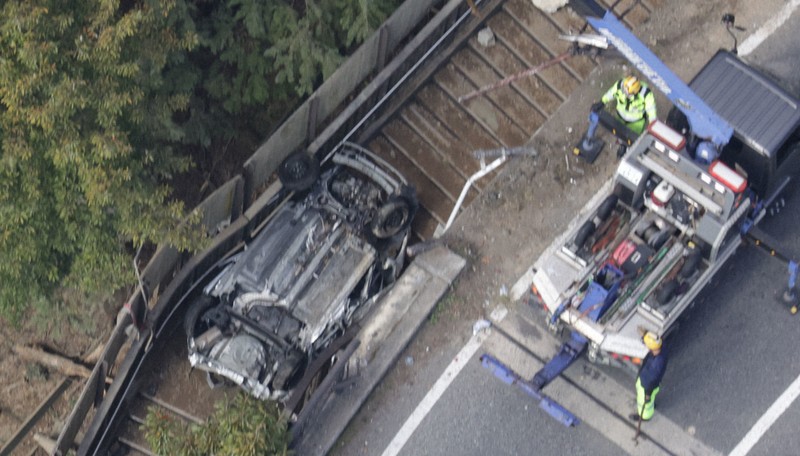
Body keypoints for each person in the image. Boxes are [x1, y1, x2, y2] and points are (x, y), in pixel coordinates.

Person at [592, 75, 657, 157]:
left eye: (628, 94)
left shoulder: (646, 95)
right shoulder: (621, 85)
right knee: (619, 132)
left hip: (636, 122)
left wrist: (653, 125)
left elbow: (651, 110)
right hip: (620, 116)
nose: (624, 93)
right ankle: (621, 143)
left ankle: (625, 147)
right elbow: (611, 93)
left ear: (635, 93)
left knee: (630, 139)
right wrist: (602, 102)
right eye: (624, 91)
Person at [630, 330, 668, 422]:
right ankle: (651, 404)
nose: (645, 345)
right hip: (647, 382)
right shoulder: (661, 349)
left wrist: (648, 394)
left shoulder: (657, 363)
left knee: (644, 404)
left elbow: (653, 379)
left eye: (647, 344)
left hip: (646, 387)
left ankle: (644, 416)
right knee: (650, 401)